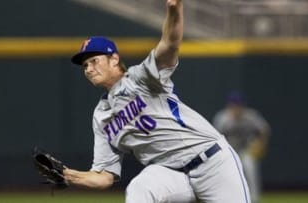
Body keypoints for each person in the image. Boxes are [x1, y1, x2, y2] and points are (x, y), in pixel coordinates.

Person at [63, 1, 250, 202]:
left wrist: (174, 10)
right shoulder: (101, 116)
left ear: (114, 59)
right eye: (85, 66)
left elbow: (169, 45)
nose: (89, 69)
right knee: (140, 188)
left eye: (94, 61)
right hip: (172, 174)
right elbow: (104, 177)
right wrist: (68, 175)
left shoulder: (140, 79)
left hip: (211, 162)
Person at [213, 92, 270, 203]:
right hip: (228, 151)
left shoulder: (251, 116)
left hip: (245, 149)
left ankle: (254, 198)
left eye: (238, 105)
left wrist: (260, 145)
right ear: (229, 106)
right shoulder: (222, 118)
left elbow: (264, 130)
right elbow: (215, 138)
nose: (236, 108)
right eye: (233, 105)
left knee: (249, 165)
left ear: (243, 106)